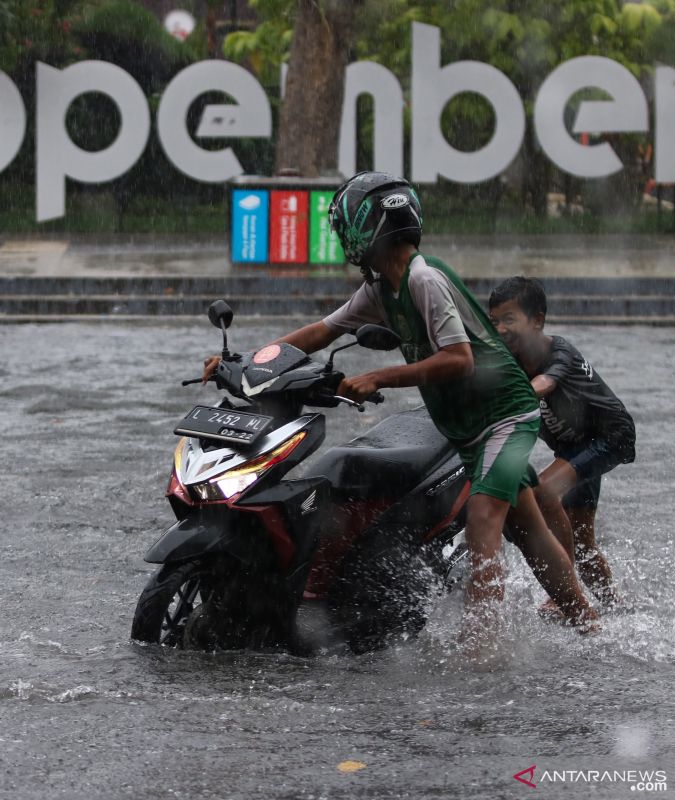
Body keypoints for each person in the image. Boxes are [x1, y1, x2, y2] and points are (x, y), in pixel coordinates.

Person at [203, 171, 599, 644]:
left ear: (369, 226)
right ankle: (591, 626)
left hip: (506, 417)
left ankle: (482, 652)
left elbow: (459, 358)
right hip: (470, 428)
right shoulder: (379, 292)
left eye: (346, 227)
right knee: (530, 532)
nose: (343, 239)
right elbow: (320, 332)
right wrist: (250, 361)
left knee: (483, 518)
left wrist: (379, 376)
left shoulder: (423, 279)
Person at [488, 276, 634, 609]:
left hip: (610, 437)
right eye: (494, 321)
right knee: (583, 543)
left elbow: (544, 384)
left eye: (509, 319)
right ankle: (617, 607)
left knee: (542, 492)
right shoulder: (509, 362)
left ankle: (564, 589)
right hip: (574, 448)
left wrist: (509, 395)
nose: (500, 329)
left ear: (537, 319)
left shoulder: (559, 352)